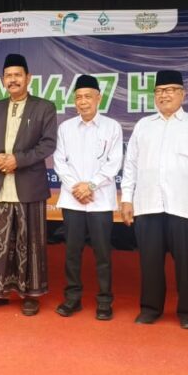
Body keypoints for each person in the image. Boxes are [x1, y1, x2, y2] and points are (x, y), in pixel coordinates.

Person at [121, 70, 188, 329]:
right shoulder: (143, 125)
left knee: (187, 263)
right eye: (159, 91)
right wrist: (127, 199)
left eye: (171, 90)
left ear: (183, 94)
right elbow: (130, 165)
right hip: (148, 204)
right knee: (150, 262)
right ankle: (150, 309)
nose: (164, 95)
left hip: (184, 205)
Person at [0, 53, 57, 316]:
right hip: (0, 183)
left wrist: (17, 160)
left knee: (30, 242)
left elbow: (47, 144)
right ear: (3, 80)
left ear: (28, 78)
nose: (13, 80)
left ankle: (30, 294)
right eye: (8, 76)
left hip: (29, 184)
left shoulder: (44, 107)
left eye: (17, 75)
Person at [52, 74, 122, 320]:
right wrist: (77, 188)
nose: (83, 102)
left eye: (88, 97)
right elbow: (59, 162)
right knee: (72, 252)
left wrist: (90, 185)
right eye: (79, 97)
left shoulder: (112, 127)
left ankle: (104, 301)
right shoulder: (65, 128)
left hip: (100, 200)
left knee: (103, 254)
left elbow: (114, 162)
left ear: (98, 98)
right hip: (73, 200)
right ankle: (72, 298)